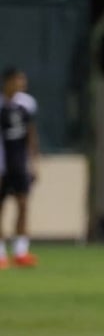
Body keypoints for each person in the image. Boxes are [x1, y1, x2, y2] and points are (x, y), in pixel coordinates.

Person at [0, 67, 40, 269]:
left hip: (19, 163)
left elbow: (31, 134)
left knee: (23, 205)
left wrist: (33, 162)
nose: (22, 84)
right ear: (7, 82)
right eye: (18, 80)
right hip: (2, 164)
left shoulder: (27, 104)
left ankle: (20, 251)